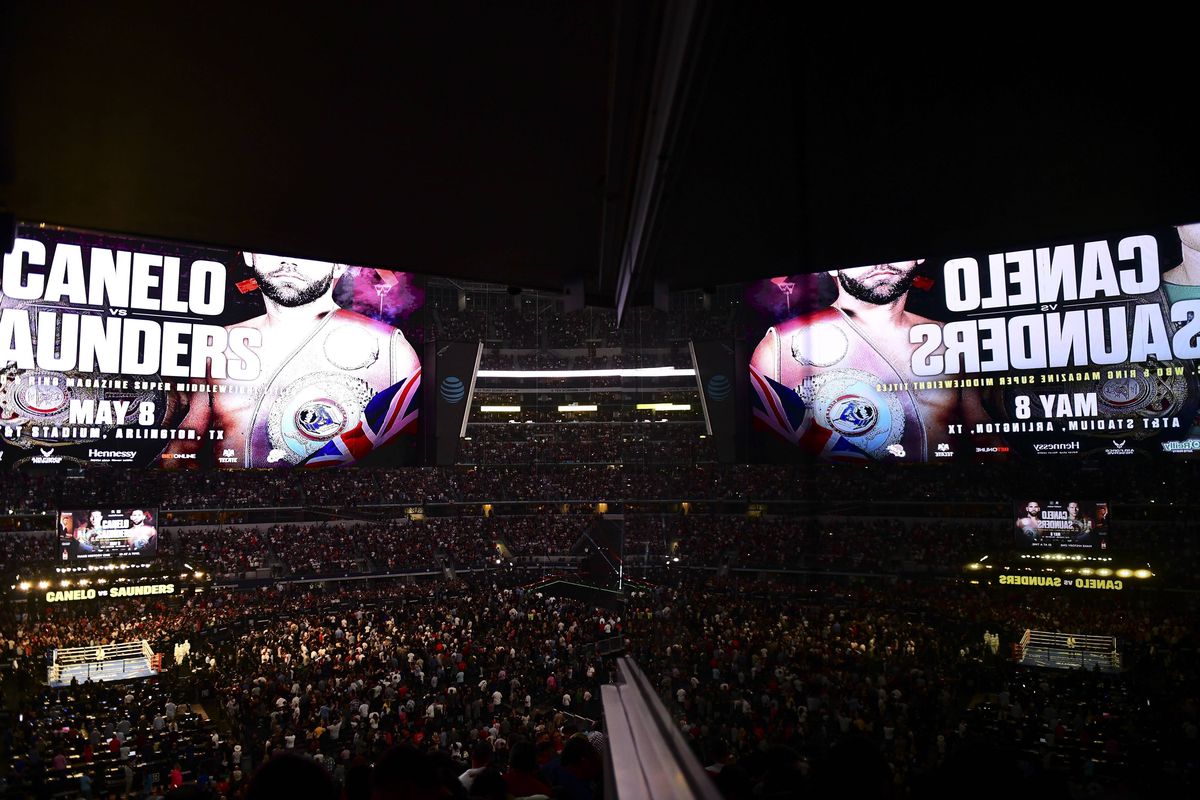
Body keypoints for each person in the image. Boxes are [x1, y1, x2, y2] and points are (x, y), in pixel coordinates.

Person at [164, 252, 420, 468]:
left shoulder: (390, 349)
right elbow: (186, 446)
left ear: (339, 265)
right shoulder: (216, 344)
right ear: (249, 256)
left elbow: (407, 454)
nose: (288, 261)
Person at [750, 261, 991, 461]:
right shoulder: (779, 347)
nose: (880, 263)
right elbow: (770, 453)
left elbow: (984, 437)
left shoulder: (954, 340)